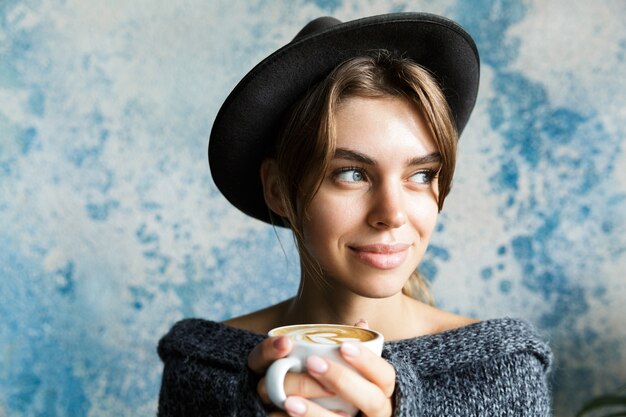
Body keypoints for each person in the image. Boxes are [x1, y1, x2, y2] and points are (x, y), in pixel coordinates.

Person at [157, 12, 552, 417]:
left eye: (420, 174)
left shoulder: (500, 371)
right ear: (278, 188)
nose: (392, 214)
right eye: (351, 174)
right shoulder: (204, 369)